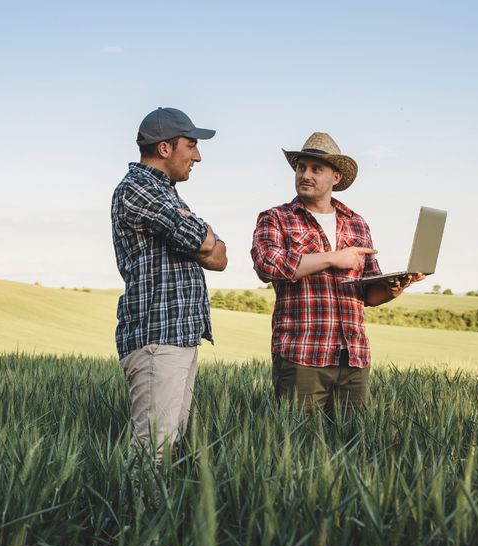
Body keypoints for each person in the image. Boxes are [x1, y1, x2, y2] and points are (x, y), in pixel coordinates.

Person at [251, 132, 423, 412]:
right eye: (301, 168)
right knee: (298, 449)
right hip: (301, 355)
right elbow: (267, 264)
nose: (305, 175)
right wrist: (333, 258)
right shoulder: (276, 218)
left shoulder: (357, 224)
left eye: (316, 169)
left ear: (336, 177)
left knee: (354, 446)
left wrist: (394, 287)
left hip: (353, 358)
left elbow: (368, 294)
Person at [111, 107, 227, 460]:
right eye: (190, 146)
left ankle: (160, 515)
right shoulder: (139, 190)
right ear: (165, 148)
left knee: (169, 447)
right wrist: (199, 233)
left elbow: (219, 257)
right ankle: (136, 516)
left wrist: (200, 234)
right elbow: (206, 243)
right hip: (157, 339)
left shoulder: (167, 193)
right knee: (153, 452)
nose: (198, 156)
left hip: (177, 336)